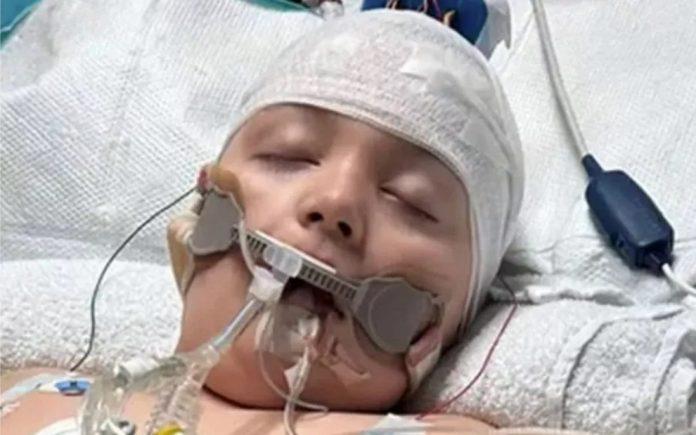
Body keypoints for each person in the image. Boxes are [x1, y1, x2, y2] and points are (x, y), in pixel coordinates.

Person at [1, 8, 522, 434]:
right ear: (199, 222)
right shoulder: (29, 391)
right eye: (289, 156)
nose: (336, 201)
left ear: (452, 326)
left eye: (409, 200)